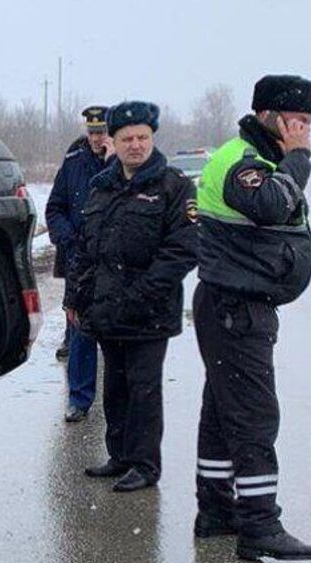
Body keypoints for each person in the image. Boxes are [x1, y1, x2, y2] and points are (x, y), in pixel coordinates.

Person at [192, 74, 311, 561]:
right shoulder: (243, 162)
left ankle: (216, 511)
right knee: (253, 416)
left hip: (235, 306)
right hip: (235, 308)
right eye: (298, 120)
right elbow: (270, 205)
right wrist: (300, 158)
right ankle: (260, 525)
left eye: (309, 122)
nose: (305, 130)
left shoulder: (261, 158)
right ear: (270, 115)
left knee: (222, 415)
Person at [65, 101, 198, 491]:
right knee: (116, 389)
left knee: (143, 390)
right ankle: (119, 455)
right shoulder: (102, 187)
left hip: (149, 313)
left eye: (142, 137)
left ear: (152, 138)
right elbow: (87, 249)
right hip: (106, 311)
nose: (135, 145)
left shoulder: (173, 186)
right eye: (127, 139)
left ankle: (144, 464)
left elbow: (182, 250)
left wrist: (138, 296)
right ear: (113, 142)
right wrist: (76, 298)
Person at [46, 105, 110, 422]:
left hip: (114, 262)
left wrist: (112, 161)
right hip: (80, 261)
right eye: (93, 132)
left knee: (115, 335)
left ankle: (119, 402)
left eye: (103, 132)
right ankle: (79, 399)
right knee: (80, 333)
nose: (98, 138)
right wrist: (66, 239)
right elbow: (54, 208)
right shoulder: (73, 163)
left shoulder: (123, 162)